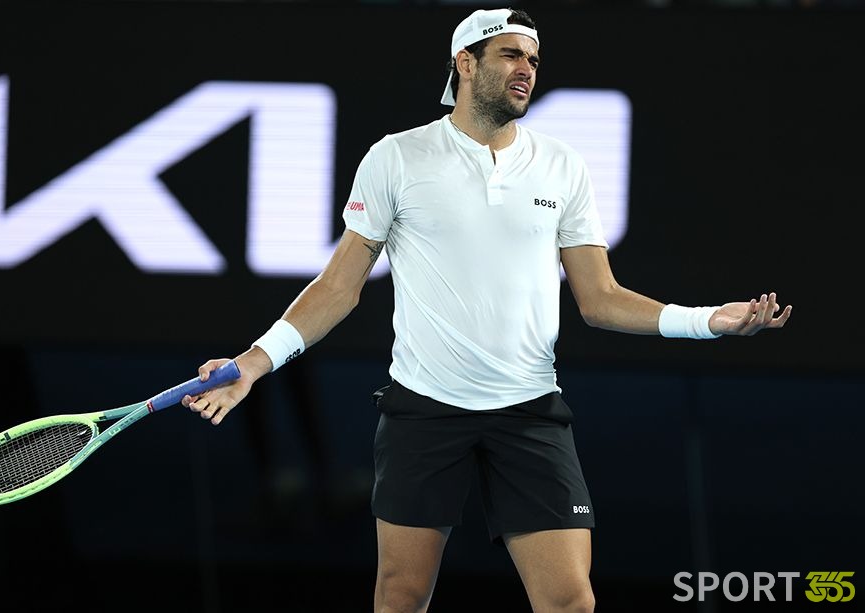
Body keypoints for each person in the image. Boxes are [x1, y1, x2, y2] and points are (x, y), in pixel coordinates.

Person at [181, 8, 792, 613]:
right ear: (466, 64)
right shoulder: (396, 157)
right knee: (401, 598)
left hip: (528, 411)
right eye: (511, 55)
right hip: (424, 410)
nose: (527, 69)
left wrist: (706, 321)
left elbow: (600, 299)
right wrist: (253, 364)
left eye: (534, 59)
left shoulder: (563, 165)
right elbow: (339, 287)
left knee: (571, 601)